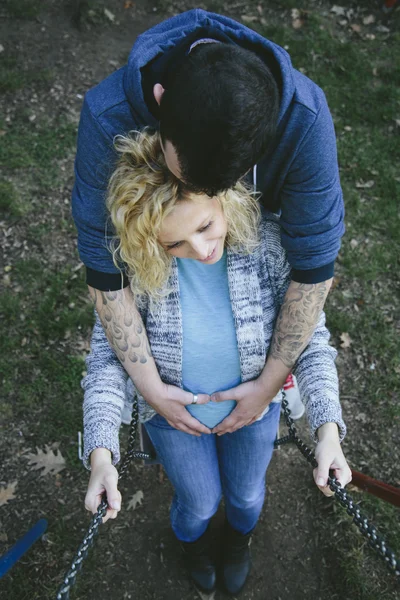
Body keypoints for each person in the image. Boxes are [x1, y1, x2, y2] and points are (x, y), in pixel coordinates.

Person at [82, 130, 351, 596]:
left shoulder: (267, 246)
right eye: (175, 244)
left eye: (205, 226)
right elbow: (110, 358)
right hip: (174, 421)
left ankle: (238, 543)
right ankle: (194, 545)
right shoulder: (138, 272)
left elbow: (310, 338)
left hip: (255, 413)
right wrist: (101, 458)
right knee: (200, 503)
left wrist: (329, 432)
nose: (201, 250)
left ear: (224, 198)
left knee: (247, 496)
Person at [72, 9, 345, 445]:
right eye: (185, 180)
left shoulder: (303, 120)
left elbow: (314, 265)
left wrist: (269, 382)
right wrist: (151, 389)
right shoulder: (108, 115)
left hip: (255, 262)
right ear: (160, 101)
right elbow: (103, 261)